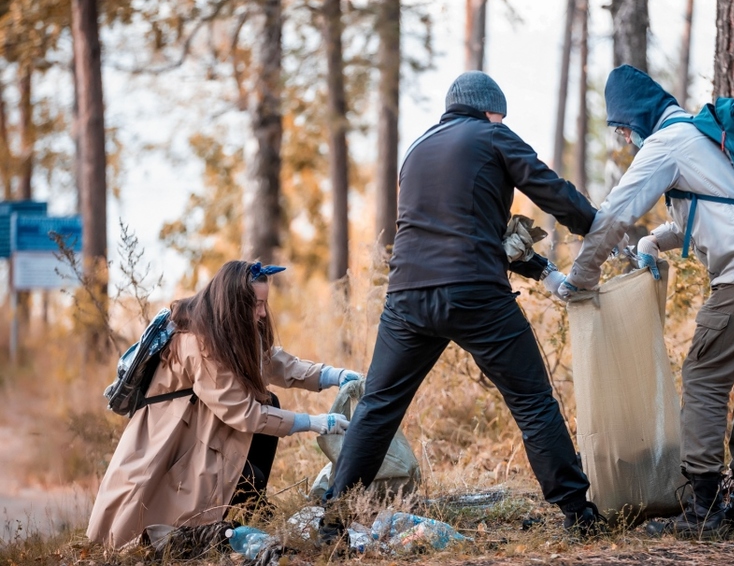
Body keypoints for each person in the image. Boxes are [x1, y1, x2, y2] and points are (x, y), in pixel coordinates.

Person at [319, 71, 603, 538]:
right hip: (473, 292)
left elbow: (464, 228)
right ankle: (579, 514)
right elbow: (548, 187)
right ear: (488, 108)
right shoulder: (491, 134)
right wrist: (596, 226)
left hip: (407, 296)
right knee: (532, 401)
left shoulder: (416, 152)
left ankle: (333, 521)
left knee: (378, 407)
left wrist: (540, 271)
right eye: (501, 114)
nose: (502, 120)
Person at [558, 65, 734, 539]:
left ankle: (703, 509)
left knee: (703, 375)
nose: (623, 140)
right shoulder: (703, 133)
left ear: (633, 121)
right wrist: (653, 242)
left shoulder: (666, 143)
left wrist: (581, 276)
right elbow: (715, 205)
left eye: (621, 131)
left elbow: (616, 212)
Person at [87, 260, 362, 549]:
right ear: (233, 303)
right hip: (172, 440)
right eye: (256, 304)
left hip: (203, 429)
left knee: (270, 405)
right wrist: (314, 422)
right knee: (152, 521)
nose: (261, 313)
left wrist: (332, 375)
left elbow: (269, 361)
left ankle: (247, 509)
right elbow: (243, 413)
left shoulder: (225, 327)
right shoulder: (198, 342)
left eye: (263, 304)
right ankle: (216, 527)